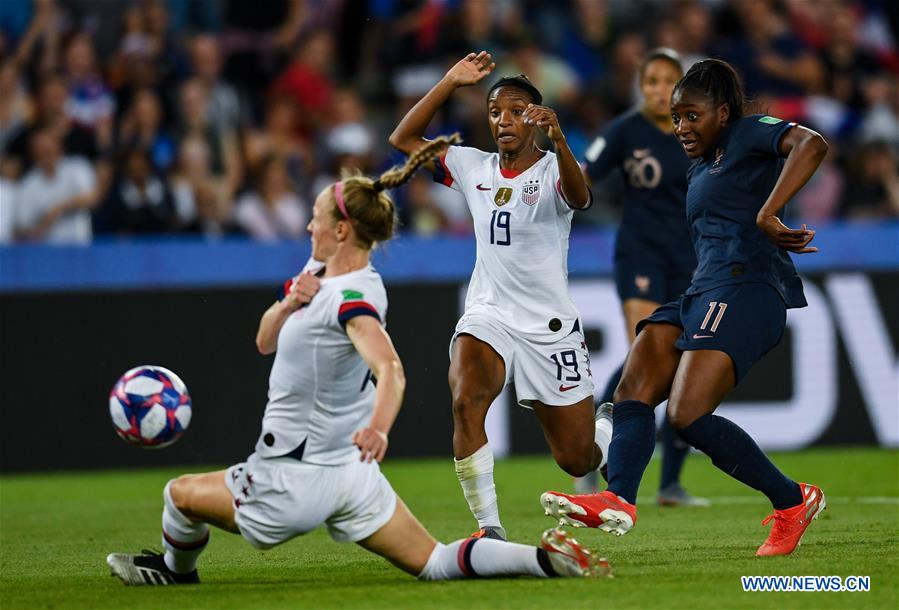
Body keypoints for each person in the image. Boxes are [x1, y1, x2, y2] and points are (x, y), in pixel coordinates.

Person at [106, 135, 608, 586]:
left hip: (290, 476)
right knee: (434, 561)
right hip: (352, 478)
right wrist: (288, 303)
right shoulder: (319, 272)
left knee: (178, 494)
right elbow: (264, 341)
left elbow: (390, 368)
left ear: (342, 231)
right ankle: (539, 560)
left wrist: (380, 428)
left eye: (317, 218)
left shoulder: (351, 298)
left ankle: (174, 572)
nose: (308, 224)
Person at [541, 59, 828, 557]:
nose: (681, 128)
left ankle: (791, 500)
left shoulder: (748, 132)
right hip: (703, 290)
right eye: (676, 118)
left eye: (692, 116)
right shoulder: (702, 163)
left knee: (687, 414)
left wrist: (768, 212)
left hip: (748, 288)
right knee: (635, 379)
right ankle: (619, 499)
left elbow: (812, 143)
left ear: (722, 111)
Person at [389, 51, 613, 541]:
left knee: (577, 457)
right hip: (488, 313)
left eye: (515, 111)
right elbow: (403, 140)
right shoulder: (474, 167)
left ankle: (606, 429)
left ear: (535, 117)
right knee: (467, 399)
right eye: (494, 112)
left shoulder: (554, 168)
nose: (504, 121)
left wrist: (560, 140)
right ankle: (489, 529)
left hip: (549, 327)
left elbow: (580, 198)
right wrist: (449, 81)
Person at [577, 48, 708, 507]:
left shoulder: (696, 130)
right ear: (641, 85)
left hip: (692, 257)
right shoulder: (624, 131)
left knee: (686, 360)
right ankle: (597, 437)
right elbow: (581, 175)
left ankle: (670, 484)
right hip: (640, 255)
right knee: (646, 350)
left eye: (666, 81)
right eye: (650, 81)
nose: (657, 89)